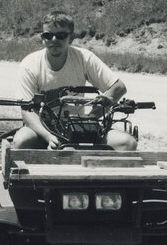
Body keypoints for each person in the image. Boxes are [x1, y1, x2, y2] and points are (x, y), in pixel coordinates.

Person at [13, 10, 137, 152]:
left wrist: (90, 118)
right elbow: (27, 111)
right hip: (41, 128)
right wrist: (48, 136)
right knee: (21, 141)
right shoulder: (30, 64)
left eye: (61, 35)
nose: (54, 40)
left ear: (70, 38)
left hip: (78, 127)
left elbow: (118, 87)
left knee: (127, 143)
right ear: (42, 38)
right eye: (48, 35)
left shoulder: (83, 58)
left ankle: (106, 174)